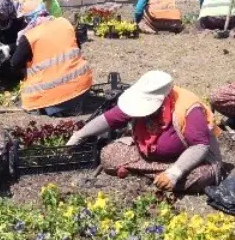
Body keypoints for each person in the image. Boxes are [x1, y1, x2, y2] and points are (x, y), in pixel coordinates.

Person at [66, 70, 222, 194]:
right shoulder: (141, 96)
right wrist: (79, 135)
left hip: (187, 161)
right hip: (147, 157)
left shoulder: (188, 107)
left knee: (200, 176)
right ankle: (158, 176)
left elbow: (200, 146)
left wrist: (175, 172)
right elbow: (111, 118)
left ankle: (159, 175)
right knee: (108, 154)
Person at [11, 3, 93, 114]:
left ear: (28, 18)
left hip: (52, 96)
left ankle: (60, 108)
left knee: (33, 100)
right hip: (81, 85)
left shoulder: (29, 36)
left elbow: (14, 63)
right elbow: (77, 47)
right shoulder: (64, 23)